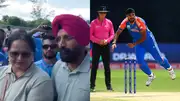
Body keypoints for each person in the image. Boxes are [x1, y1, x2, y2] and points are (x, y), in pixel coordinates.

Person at [112, 8, 176, 86]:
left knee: (159, 60)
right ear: (127, 16)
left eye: (133, 15)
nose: (132, 17)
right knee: (140, 63)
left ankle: (170, 69)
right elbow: (118, 32)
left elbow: (144, 37)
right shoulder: (125, 22)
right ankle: (151, 75)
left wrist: (134, 44)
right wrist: (114, 42)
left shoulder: (140, 21)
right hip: (139, 44)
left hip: (149, 41)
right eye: (130, 15)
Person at [0, 29, 54, 101]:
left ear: (33, 55)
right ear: (8, 53)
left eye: (25, 54)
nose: (19, 58)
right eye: (14, 54)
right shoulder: (2, 71)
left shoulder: (41, 80)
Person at [51, 14, 90, 101]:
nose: (61, 44)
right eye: (58, 39)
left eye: (67, 38)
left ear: (82, 39)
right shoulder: (58, 66)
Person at [90, 6, 114, 91]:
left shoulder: (109, 22)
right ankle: (92, 85)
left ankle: (109, 86)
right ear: (98, 13)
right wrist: (98, 41)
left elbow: (112, 34)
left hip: (106, 46)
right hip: (96, 46)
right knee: (94, 66)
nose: (103, 15)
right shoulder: (93, 23)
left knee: (107, 66)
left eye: (104, 13)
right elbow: (90, 35)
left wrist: (107, 40)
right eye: (101, 13)